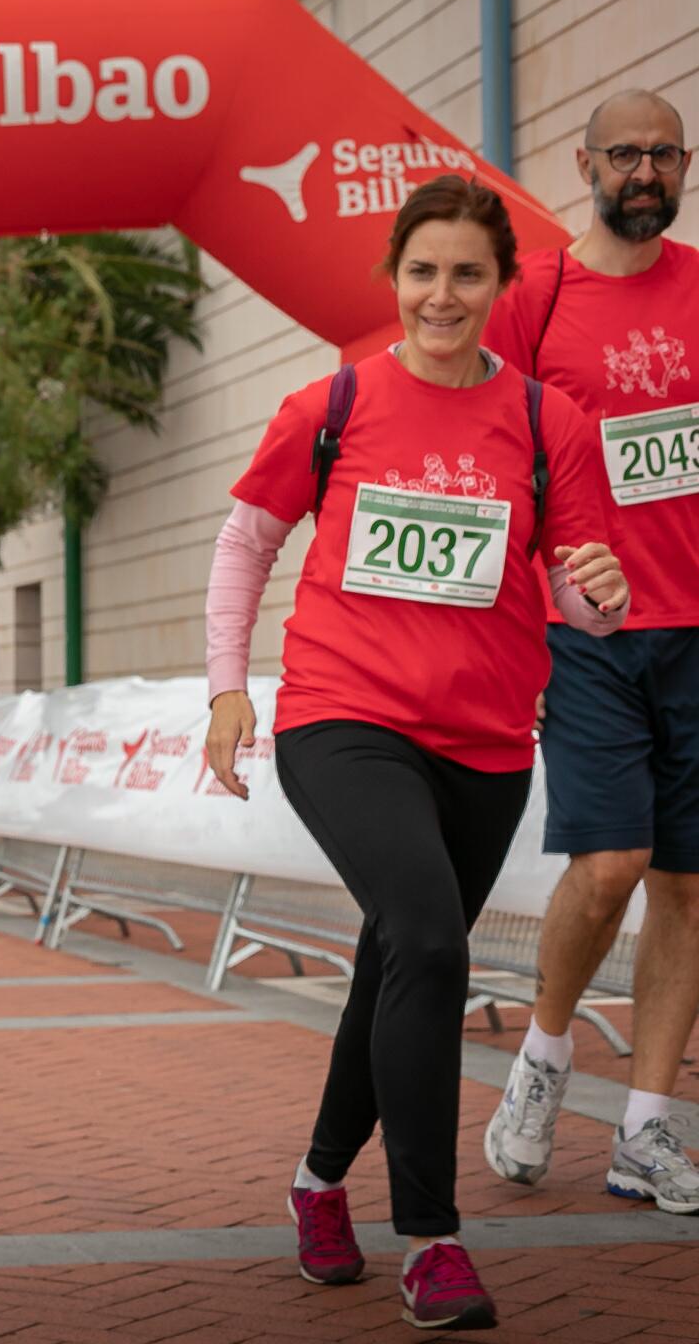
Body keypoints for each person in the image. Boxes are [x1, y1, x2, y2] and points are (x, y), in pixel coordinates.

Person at [202, 176, 627, 1330]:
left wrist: (602, 591)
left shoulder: (551, 423)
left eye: (468, 273)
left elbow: (582, 594)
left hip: (488, 742)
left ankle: (317, 1182)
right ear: (395, 279)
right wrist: (229, 693)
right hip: (345, 719)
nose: (443, 294)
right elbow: (245, 544)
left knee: (401, 954)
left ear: (499, 287)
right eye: (424, 270)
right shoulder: (332, 403)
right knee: (434, 940)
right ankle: (433, 1239)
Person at [479, 91, 699, 1216]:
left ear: (687, 161)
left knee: (690, 885)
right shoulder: (537, 298)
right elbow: (484, 439)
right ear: (584, 165)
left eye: (664, 151)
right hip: (591, 631)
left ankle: (648, 1130)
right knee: (611, 863)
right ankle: (544, 1060)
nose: (645, 169)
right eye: (626, 153)